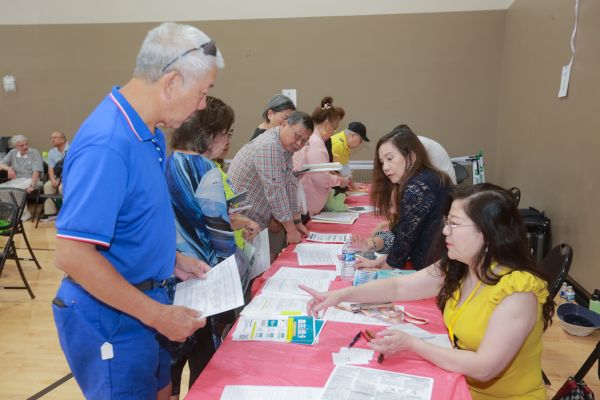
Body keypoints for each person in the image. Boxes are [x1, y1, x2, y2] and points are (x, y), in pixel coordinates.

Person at [52, 22, 223, 399]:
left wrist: (172, 258)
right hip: (112, 316)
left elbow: (134, 218)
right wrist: (158, 316)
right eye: (202, 93)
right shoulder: (109, 143)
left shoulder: (151, 134)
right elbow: (72, 254)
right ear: (171, 83)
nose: (201, 105)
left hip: (146, 302)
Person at [302, 183, 553, 399]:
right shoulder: (462, 265)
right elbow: (398, 286)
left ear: (487, 233)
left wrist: (412, 344)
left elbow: (484, 367)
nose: (445, 231)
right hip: (460, 382)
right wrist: (341, 296)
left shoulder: (518, 292)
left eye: (454, 224)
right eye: (446, 222)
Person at [165, 96, 259, 400]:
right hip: (203, 279)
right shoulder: (204, 168)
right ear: (207, 132)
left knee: (168, 367)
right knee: (204, 361)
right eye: (226, 132)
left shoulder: (165, 161)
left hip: (168, 276)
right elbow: (219, 234)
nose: (228, 140)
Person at [354, 124, 452, 270]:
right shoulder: (427, 177)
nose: (385, 167)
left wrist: (382, 271)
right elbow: (403, 236)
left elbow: (404, 242)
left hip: (434, 270)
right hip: (434, 265)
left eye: (390, 159)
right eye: (382, 162)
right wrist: (378, 263)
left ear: (411, 156)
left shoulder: (417, 186)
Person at [228, 111, 313, 258]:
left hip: (253, 220)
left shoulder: (284, 148)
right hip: (241, 222)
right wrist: (291, 230)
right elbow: (276, 191)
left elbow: (289, 184)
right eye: (297, 137)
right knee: (246, 275)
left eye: (304, 141)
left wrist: (297, 221)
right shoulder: (269, 146)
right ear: (285, 124)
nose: (299, 144)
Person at [293, 96, 348, 216]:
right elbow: (320, 178)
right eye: (334, 128)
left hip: (305, 202)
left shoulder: (312, 138)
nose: (333, 132)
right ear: (326, 124)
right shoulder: (316, 143)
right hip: (306, 206)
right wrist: (340, 181)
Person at [0, 135, 44, 221]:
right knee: (1, 189)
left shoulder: (34, 153)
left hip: (32, 179)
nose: (25, 147)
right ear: (16, 147)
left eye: (26, 144)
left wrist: (32, 185)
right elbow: (1, 164)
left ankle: (23, 214)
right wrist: (9, 168)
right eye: (22, 145)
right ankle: (13, 212)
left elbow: (36, 171)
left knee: (16, 189)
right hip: (18, 180)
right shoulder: (12, 153)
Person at [40, 131, 69, 222]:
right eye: (51, 137)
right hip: (58, 178)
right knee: (47, 185)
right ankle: (50, 214)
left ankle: (67, 213)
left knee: (62, 188)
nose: (52, 139)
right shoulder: (52, 152)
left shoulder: (72, 149)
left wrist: (65, 180)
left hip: (70, 178)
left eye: (55, 137)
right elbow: (50, 168)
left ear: (63, 139)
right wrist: (52, 179)